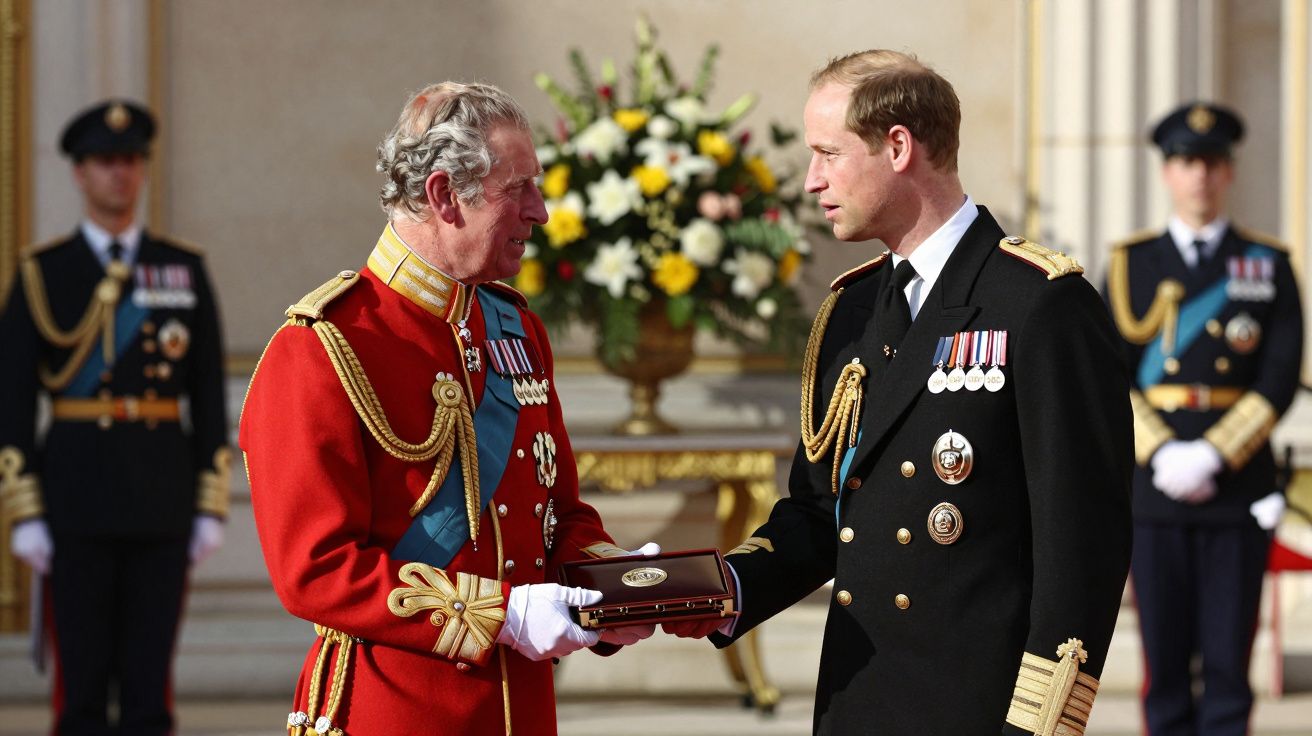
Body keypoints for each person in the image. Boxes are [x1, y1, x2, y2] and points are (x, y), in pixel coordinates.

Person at [666, 50, 1134, 735]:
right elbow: (819, 513)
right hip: (860, 701)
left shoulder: (1040, 305)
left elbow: (1082, 549)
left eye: (828, 153)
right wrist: (722, 590)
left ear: (897, 147)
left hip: (979, 710)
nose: (810, 181)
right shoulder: (851, 311)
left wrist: (1042, 725)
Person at [240, 82, 653, 736]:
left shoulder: (515, 328)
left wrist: (614, 585)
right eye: (518, 189)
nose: (540, 212)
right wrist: (502, 615)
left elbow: (561, 514)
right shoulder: (323, 347)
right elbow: (315, 571)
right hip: (396, 710)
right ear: (442, 195)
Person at [0, 99, 230, 734]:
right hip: (72, 502)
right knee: (79, 697)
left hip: (162, 498)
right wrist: (25, 512)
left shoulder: (181, 268)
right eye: (105, 162)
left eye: (130, 161)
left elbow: (207, 392)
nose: (119, 175)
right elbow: (12, 401)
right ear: (78, 173)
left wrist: (210, 503)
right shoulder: (42, 274)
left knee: (148, 696)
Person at [1104, 102, 1303, 736]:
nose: (1200, 177)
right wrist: (1162, 454)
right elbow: (1112, 376)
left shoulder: (1267, 265)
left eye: (1213, 164)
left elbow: (1276, 378)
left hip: (1235, 487)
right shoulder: (1129, 265)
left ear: (1230, 173)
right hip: (1154, 490)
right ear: (1167, 172)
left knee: (1226, 663)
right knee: (1163, 665)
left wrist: (1213, 454)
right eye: (1188, 162)